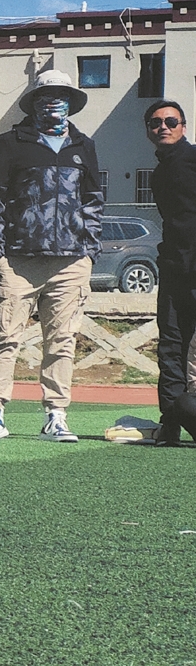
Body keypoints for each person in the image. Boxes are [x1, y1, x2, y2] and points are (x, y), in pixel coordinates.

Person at [0, 69, 103, 443]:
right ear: (33, 103)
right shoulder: (10, 143)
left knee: (63, 341)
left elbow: (93, 202)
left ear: (71, 102)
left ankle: (56, 416)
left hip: (71, 262)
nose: (53, 103)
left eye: (61, 96)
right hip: (18, 262)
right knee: (5, 337)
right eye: (46, 96)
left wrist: (89, 251)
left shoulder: (83, 146)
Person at [146, 100, 196, 445]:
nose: (163, 127)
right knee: (170, 345)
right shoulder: (159, 171)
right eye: (155, 123)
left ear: (183, 127)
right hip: (174, 269)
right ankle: (171, 424)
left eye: (171, 121)